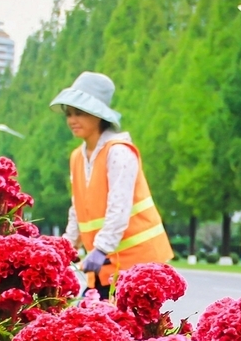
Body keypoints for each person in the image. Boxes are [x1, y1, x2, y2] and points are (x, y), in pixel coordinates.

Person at [51, 71, 173, 299]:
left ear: (97, 115)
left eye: (79, 113)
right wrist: (66, 248)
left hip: (138, 265)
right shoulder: (78, 157)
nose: (71, 120)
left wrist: (101, 249)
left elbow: (119, 207)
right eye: (68, 114)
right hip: (104, 266)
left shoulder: (119, 152)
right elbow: (77, 210)